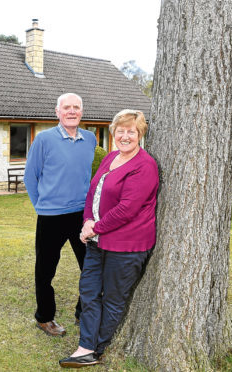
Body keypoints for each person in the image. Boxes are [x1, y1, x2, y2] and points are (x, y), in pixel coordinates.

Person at [59, 109, 159, 367]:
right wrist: (86, 224)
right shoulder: (111, 157)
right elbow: (92, 193)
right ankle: (86, 344)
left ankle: (94, 348)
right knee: (89, 292)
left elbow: (128, 208)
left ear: (140, 134)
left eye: (131, 132)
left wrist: (96, 227)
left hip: (127, 246)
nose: (125, 136)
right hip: (96, 241)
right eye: (121, 131)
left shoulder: (144, 165)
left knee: (113, 299)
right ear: (114, 132)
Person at [24, 93, 97, 337]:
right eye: (67, 107)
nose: (72, 111)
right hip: (51, 217)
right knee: (45, 271)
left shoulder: (90, 139)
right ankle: (44, 318)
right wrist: (41, 206)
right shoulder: (43, 139)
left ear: (82, 112)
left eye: (76, 107)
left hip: (82, 217)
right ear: (58, 112)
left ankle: (83, 311)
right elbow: (30, 177)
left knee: (91, 267)